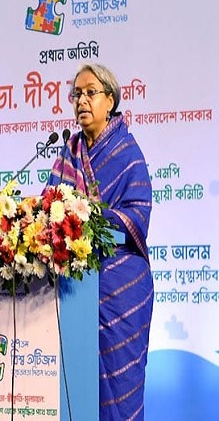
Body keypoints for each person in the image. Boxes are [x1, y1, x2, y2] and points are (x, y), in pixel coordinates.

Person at [47, 63, 153, 421]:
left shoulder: (127, 153)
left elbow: (138, 215)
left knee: (119, 388)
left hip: (120, 285)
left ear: (110, 100)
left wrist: (89, 214)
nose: (81, 100)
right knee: (75, 387)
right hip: (74, 285)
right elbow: (49, 205)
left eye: (90, 92)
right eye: (76, 94)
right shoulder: (70, 152)